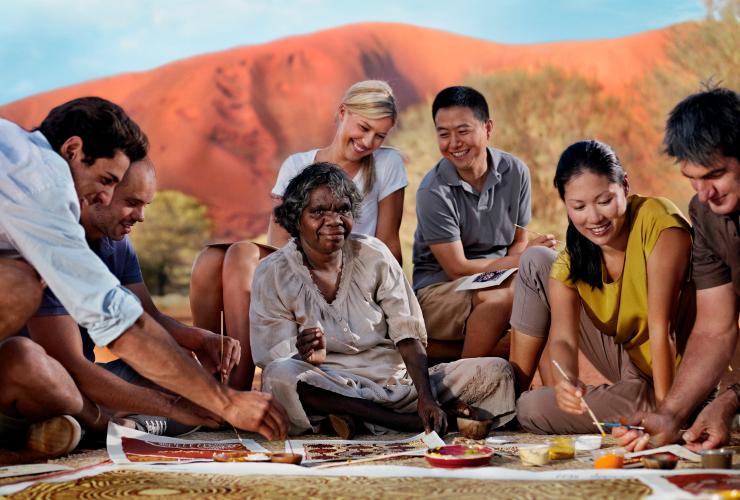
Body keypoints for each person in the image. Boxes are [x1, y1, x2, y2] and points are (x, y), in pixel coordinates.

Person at [0, 97, 287, 462]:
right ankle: (99, 424)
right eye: (106, 180)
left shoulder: (17, 160)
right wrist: (219, 402)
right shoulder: (43, 183)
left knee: (170, 373)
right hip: (55, 375)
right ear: (73, 150)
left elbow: (142, 316)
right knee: (21, 286)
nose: (103, 196)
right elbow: (119, 326)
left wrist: (196, 342)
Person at [250, 162, 515, 437]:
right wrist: (301, 350)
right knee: (280, 377)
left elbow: (408, 332)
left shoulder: (373, 254)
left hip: (395, 384)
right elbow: (272, 355)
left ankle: (354, 419)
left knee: (497, 370)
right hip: (329, 384)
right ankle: (398, 422)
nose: (334, 221)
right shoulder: (273, 273)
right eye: (318, 212)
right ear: (296, 218)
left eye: (343, 210)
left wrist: (425, 397)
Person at [189, 80, 407, 390]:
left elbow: (389, 242)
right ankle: (212, 374)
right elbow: (278, 242)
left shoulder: (388, 163)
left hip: (347, 271)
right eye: (364, 127)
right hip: (299, 262)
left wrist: (394, 302)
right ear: (343, 112)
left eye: (380, 135)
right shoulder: (298, 164)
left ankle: (237, 384)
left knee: (240, 252)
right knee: (211, 260)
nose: (368, 141)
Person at [24, 158, 241, 437]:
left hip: (89, 376)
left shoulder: (119, 244)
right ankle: (104, 423)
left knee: (197, 395)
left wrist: (200, 339)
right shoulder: (56, 245)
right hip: (46, 378)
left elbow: (150, 317)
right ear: (99, 193)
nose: (141, 217)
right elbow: (68, 365)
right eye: (132, 202)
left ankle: (129, 426)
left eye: (145, 205)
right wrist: (172, 406)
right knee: (188, 403)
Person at [512, 139, 695, 434]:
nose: (594, 218)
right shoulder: (574, 259)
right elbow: (564, 340)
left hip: (685, 376)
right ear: (566, 204)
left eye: (604, 201)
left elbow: (664, 330)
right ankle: (635, 405)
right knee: (531, 408)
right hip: (634, 369)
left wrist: (669, 416)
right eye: (579, 206)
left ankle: (676, 411)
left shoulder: (660, 224)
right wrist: (567, 381)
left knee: (534, 410)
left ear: (625, 185)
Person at [615, 87, 739, 451]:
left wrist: (730, 400)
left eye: (715, 174)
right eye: (691, 178)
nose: (704, 193)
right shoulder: (705, 213)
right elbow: (715, 328)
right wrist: (670, 413)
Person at [412, 86, 556, 360]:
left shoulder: (516, 172)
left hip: (498, 278)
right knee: (504, 299)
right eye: (444, 134)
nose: (453, 143)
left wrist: (524, 263)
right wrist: (524, 261)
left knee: (541, 292)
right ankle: (467, 384)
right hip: (439, 291)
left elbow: (518, 243)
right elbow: (457, 268)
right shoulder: (433, 191)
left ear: (487, 128)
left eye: (463, 131)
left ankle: (538, 391)